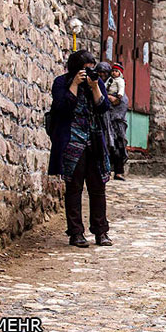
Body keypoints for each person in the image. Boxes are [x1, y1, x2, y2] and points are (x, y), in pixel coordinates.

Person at [48, 50, 113, 247]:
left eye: (93, 69)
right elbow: (62, 108)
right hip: (72, 142)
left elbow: (104, 107)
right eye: (87, 69)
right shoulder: (61, 82)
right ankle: (76, 232)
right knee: (74, 188)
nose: (91, 72)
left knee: (98, 187)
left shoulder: (96, 82)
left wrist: (94, 87)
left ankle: (101, 231)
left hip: (94, 140)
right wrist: (75, 84)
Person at [96, 62, 129, 181]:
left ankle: (119, 171)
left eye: (104, 73)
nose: (102, 75)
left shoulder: (117, 87)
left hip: (116, 123)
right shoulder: (99, 86)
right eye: (100, 72)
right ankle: (105, 170)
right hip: (102, 123)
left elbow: (121, 103)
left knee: (118, 146)